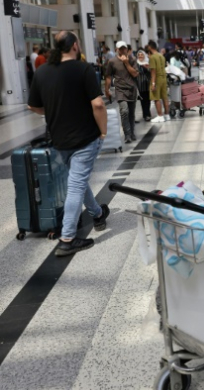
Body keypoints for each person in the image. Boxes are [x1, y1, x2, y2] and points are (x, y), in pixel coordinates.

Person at [27, 31, 110, 257]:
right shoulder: (82, 68)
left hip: (59, 139)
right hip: (84, 138)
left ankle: (97, 213)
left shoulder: (42, 72)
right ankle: (67, 239)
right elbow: (98, 105)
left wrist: (52, 111)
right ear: (74, 46)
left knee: (77, 178)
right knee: (76, 184)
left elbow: (32, 106)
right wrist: (103, 131)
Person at [104, 41, 139, 144]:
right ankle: (127, 135)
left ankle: (132, 133)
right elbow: (108, 76)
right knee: (124, 111)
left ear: (127, 49)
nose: (123, 50)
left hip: (132, 89)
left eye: (124, 48)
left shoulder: (132, 60)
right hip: (120, 89)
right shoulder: (112, 61)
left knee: (131, 113)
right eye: (121, 49)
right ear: (117, 50)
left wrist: (126, 63)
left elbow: (135, 74)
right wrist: (107, 89)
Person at [147, 40, 170, 123]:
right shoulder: (161, 56)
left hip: (157, 79)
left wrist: (153, 83)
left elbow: (153, 71)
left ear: (150, 47)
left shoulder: (152, 57)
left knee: (156, 98)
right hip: (164, 78)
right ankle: (167, 115)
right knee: (165, 97)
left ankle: (160, 116)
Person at [135, 50, 152, 122]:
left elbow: (151, 71)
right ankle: (146, 115)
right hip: (140, 84)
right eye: (139, 55)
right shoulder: (136, 64)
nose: (140, 56)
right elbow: (137, 72)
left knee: (148, 100)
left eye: (142, 55)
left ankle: (147, 113)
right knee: (143, 100)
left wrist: (146, 67)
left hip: (148, 84)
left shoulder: (148, 63)